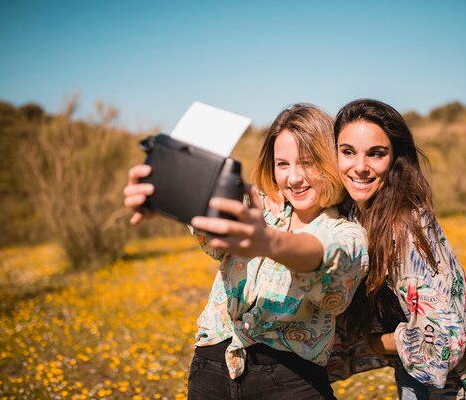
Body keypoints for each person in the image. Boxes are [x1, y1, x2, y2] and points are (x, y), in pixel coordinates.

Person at [124, 104, 368, 400]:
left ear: (331, 162)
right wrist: (164, 191)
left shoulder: (348, 233)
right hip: (211, 370)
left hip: (291, 382)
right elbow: (207, 207)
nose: (294, 178)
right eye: (283, 164)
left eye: (307, 162)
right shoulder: (256, 208)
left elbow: (321, 254)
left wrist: (268, 242)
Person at [326, 99, 466, 399]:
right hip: (416, 368)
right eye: (348, 152)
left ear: (395, 158)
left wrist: (372, 343)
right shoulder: (354, 211)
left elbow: (438, 341)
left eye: (376, 154)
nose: (360, 167)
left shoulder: (407, 226)